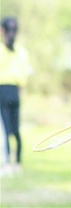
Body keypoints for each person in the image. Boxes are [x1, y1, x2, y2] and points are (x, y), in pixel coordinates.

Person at [0, 17, 32, 175]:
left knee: (5, 129)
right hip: (16, 92)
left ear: (2, 30)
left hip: (2, 91)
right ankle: (18, 162)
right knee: (16, 128)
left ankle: (7, 164)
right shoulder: (22, 51)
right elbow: (25, 75)